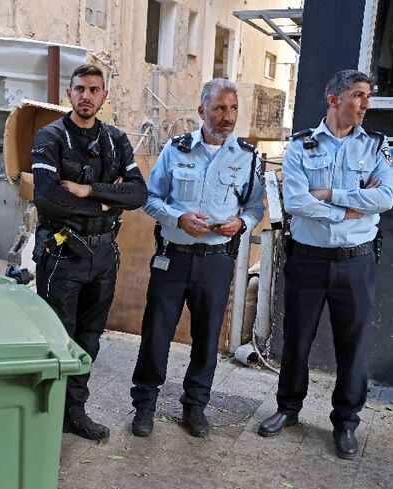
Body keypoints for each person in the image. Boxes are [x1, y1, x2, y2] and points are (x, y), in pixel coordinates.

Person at [258, 70, 393, 460]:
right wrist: (350, 210)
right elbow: (297, 202)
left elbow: (385, 197)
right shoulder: (301, 146)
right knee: (296, 337)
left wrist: (332, 194)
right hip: (309, 260)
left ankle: (346, 423)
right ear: (334, 100)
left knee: (353, 345)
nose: (365, 103)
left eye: (367, 96)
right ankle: (288, 408)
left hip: (356, 263)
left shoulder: (376, 147)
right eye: (358, 95)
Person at [130, 79, 265, 438]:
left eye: (233, 108)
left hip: (217, 261)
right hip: (172, 258)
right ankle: (144, 405)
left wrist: (240, 223)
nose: (228, 116)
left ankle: (195, 408)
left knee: (207, 339)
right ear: (202, 111)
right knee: (156, 333)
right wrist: (178, 218)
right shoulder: (176, 150)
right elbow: (148, 198)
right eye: (220, 108)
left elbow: (255, 208)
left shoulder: (247, 157)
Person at [31, 64, 148, 441]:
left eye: (94, 89)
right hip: (63, 255)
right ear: (70, 93)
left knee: (89, 338)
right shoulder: (50, 137)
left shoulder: (115, 139)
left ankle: (74, 411)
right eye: (80, 88)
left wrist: (87, 191)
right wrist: (105, 201)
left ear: (104, 97)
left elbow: (137, 194)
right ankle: (45, 413)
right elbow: (47, 198)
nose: (87, 95)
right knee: (57, 336)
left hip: (103, 256)